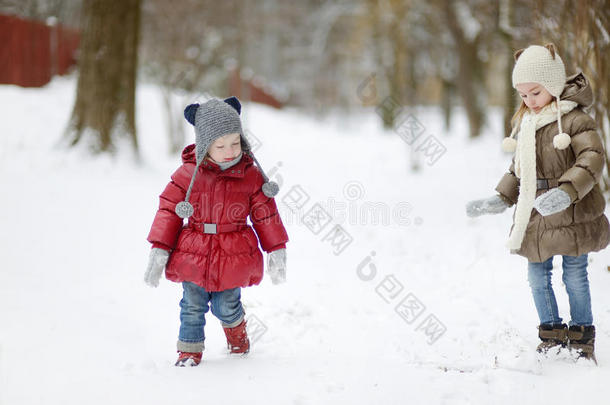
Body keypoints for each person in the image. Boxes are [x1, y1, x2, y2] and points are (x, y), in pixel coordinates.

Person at [466, 44, 609, 361]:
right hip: (536, 211)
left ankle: (582, 337)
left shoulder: (574, 120)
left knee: (574, 275)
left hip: (573, 209)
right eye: (523, 95)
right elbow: (520, 169)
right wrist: (501, 197)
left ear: (554, 86)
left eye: (535, 92)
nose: (529, 101)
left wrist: (568, 190)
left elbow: (593, 157)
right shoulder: (526, 124)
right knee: (536, 276)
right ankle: (552, 332)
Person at [144, 96, 289, 366]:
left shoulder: (251, 176)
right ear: (204, 145)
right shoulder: (187, 175)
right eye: (220, 145)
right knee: (191, 306)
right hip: (194, 251)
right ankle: (189, 352)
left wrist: (276, 249)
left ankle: (237, 339)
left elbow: (265, 214)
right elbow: (168, 211)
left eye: (236, 142)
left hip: (233, 252)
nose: (230, 150)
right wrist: (159, 249)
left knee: (226, 306)